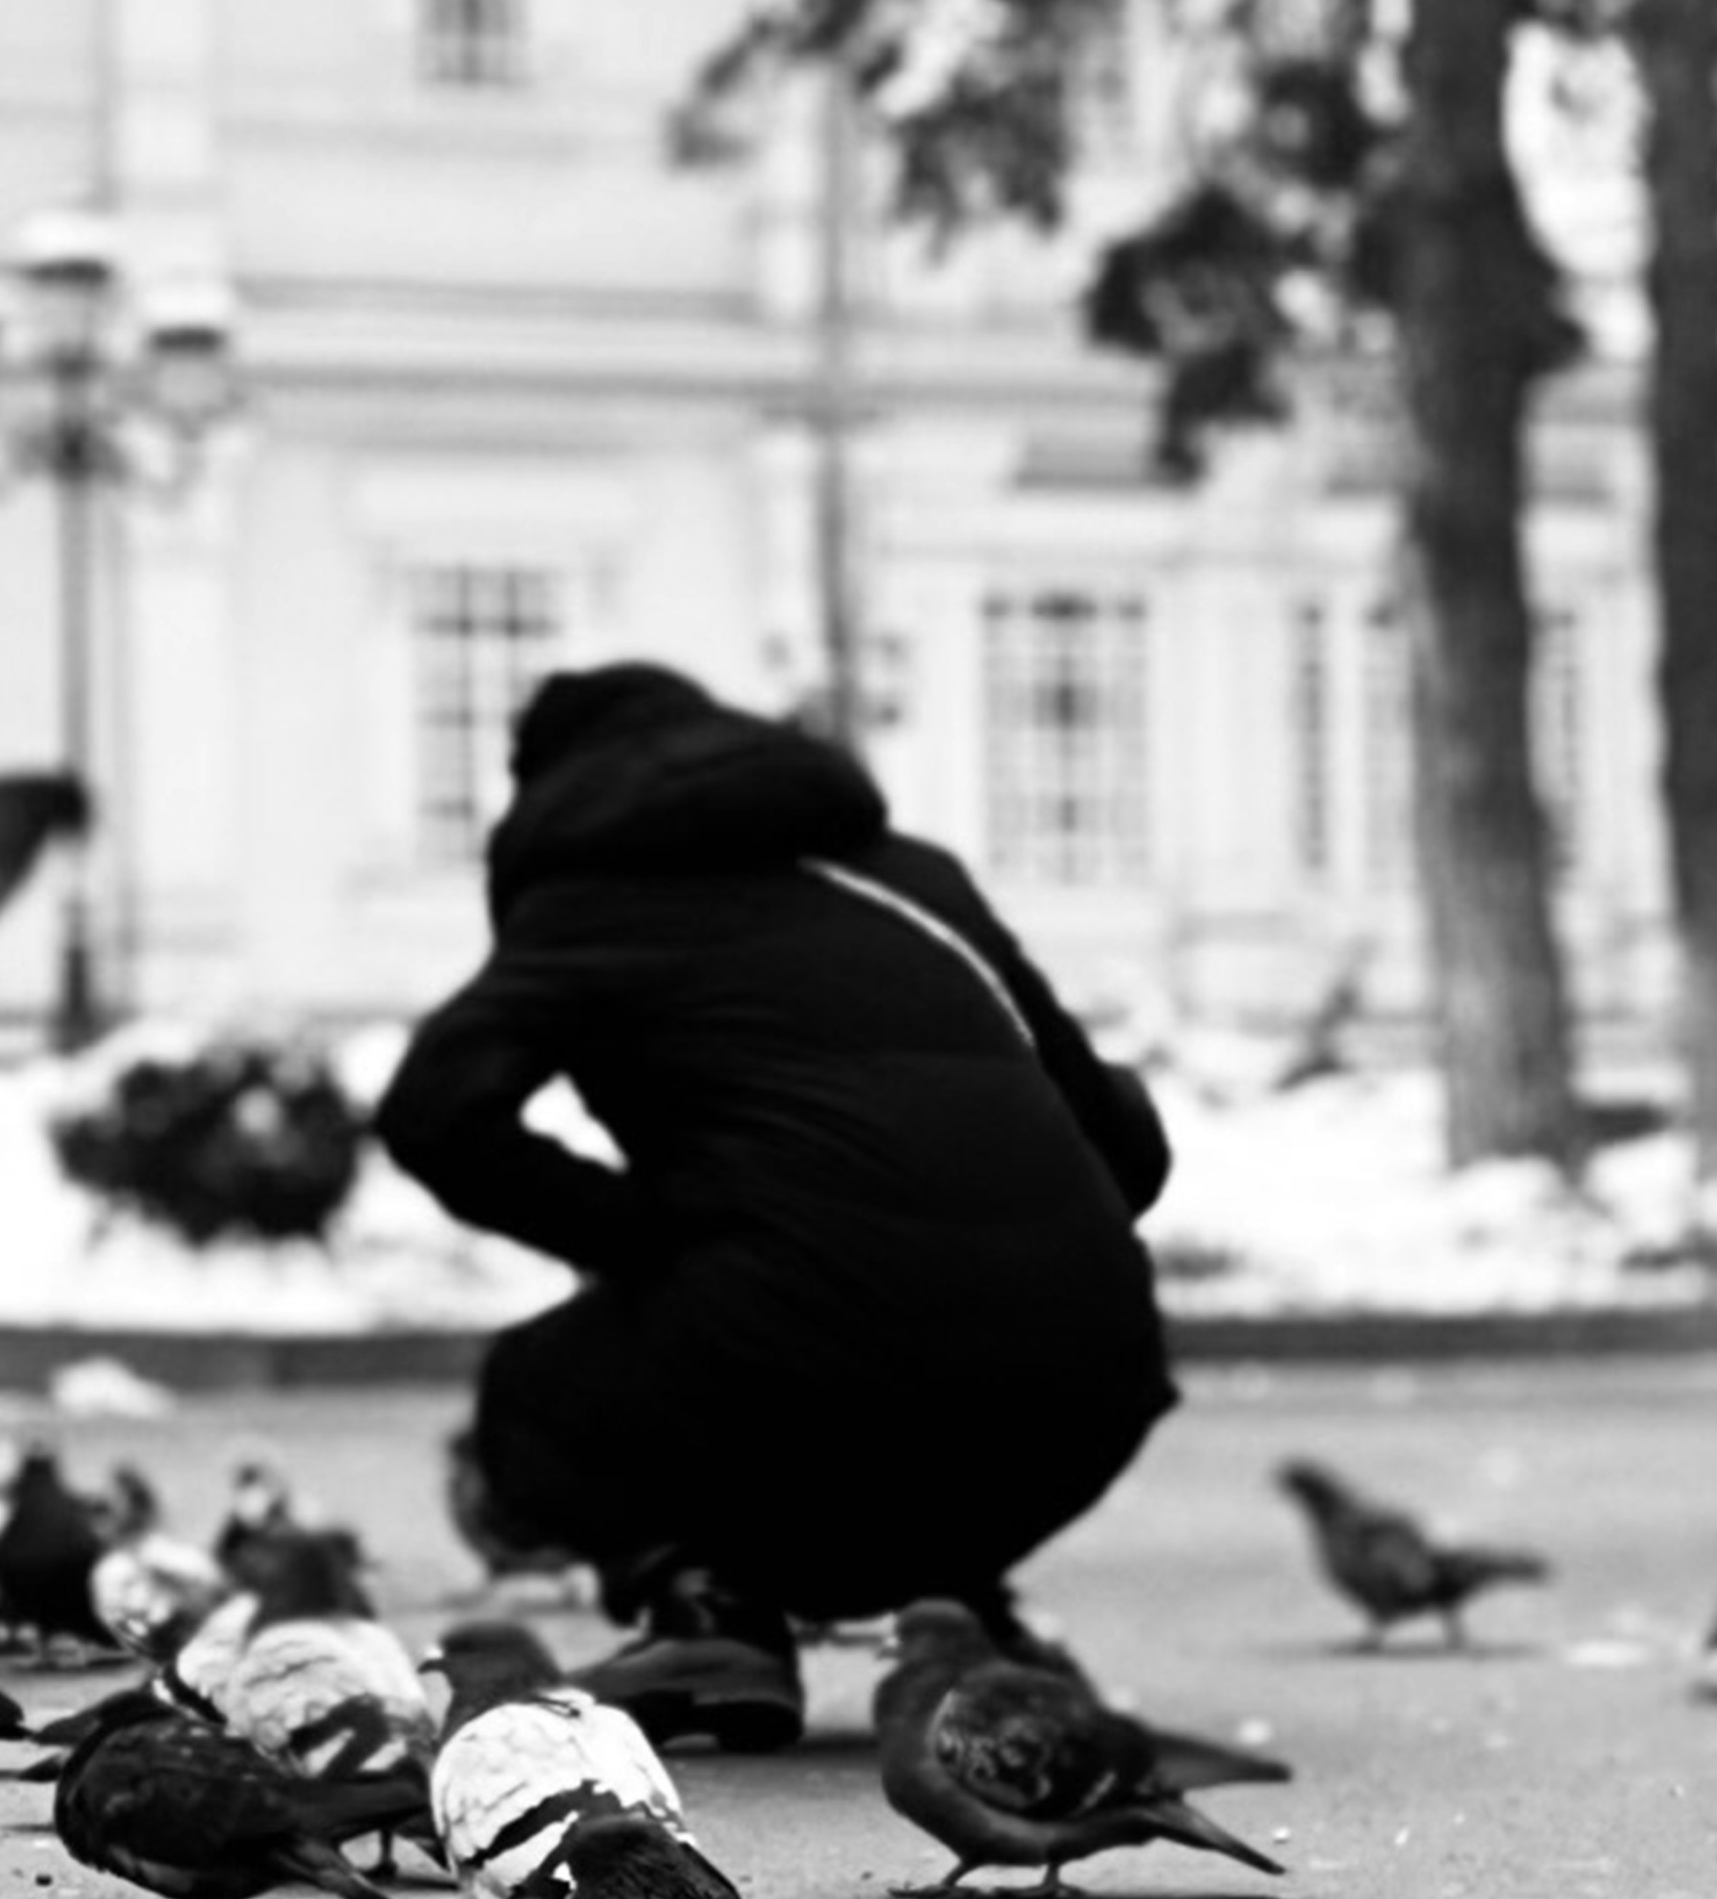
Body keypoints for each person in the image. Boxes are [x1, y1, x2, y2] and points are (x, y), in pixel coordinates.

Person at [376, 658, 1174, 1625]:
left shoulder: (593, 903)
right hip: (1092, 1390)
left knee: (533, 1399)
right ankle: (954, 1617)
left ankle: (709, 1611)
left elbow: (433, 1112)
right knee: (875, 1346)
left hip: (804, 1365)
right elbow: (1127, 1144)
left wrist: (641, 1236)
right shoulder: (919, 881)